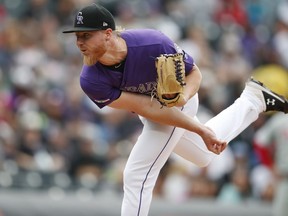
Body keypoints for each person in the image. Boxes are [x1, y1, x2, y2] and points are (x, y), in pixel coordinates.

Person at [62, 3, 288, 216]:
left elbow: (195, 74)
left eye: (86, 35)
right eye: (77, 36)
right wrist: (201, 130)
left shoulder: (151, 43)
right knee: (202, 155)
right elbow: (147, 107)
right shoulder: (90, 80)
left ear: (108, 33)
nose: (80, 42)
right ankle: (253, 100)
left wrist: (182, 97)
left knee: (136, 174)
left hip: (182, 100)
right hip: (153, 112)